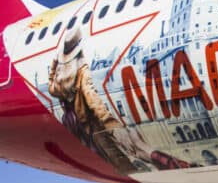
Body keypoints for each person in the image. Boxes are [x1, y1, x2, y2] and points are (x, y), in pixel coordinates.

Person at [48, 27, 192, 174]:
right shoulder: (83, 70)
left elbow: (51, 89)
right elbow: (91, 98)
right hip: (94, 123)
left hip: (76, 124)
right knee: (124, 153)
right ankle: (165, 160)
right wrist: (108, 121)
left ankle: (163, 160)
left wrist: (54, 65)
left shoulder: (59, 81)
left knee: (120, 152)